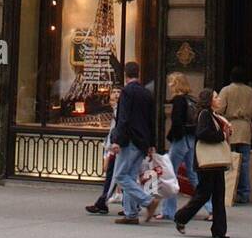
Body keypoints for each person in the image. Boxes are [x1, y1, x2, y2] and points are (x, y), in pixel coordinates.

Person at [174, 89, 232, 238]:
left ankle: (219, 230)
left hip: (213, 162)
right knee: (204, 194)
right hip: (207, 162)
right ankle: (181, 216)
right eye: (216, 97)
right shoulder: (205, 114)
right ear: (209, 100)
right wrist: (222, 135)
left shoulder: (213, 115)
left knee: (217, 194)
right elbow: (202, 133)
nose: (219, 99)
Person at [110, 61, 158, 225]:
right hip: (143, 141)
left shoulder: (127, 92)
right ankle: (131, 214)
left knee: (121, 176)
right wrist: (151, 143)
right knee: (130, 176)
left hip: (129, 140)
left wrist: (116, 140)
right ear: (138, 73)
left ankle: (148, 201)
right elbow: (152, 120)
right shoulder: (146, 93)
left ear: (125, 74)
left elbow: (123, 118)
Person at [217, 66, 252, 205]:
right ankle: (244, 193)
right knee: (245, 162)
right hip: (245, 128)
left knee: (230, 161)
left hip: (231, 127)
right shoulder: (250, 91)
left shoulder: (226, 90)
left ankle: (229, 192)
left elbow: (219, 109)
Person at [161, 73, 199, 221]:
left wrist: (170, 137)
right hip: (191, 138)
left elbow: (177, 123)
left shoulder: (178, 100)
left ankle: (168, 211)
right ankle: (210, 208)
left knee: (169, 174)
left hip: (180, 140)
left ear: (176, 84)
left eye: (171, 83)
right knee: (193, 174)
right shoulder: (191, 99)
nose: (169, 86)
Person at [85, 87, 121, 215]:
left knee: (114, 176)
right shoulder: (116, 111)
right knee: (121, 176)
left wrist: (110, 150)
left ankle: (102, 202)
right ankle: (133, 204)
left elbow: (114, 131)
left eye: (119, 93)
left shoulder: (119, 111)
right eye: (114, 92)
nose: (116, 95)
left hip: (117, 148)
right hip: (116, 147)